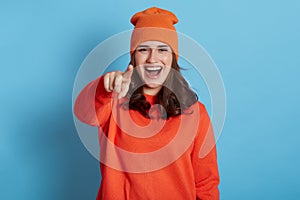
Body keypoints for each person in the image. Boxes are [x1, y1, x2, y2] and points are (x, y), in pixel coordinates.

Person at [74, 7, 220, 200]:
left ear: (173, 58)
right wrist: (104, 87)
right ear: (134, 56)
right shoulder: (112, 102)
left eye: (162, 50)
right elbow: (83, 113)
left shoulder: (196, 113)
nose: (153, 58)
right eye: (143, 49)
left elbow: (205, 182)